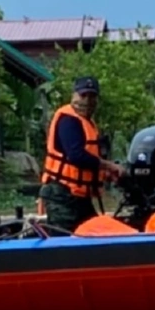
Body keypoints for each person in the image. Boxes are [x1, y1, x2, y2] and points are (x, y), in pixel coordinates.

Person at [39, 76, 125, 232]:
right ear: (74, 95)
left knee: (95, 231)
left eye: (92, 96)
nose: (87, 101)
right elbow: (76, 156)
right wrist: (109, 165)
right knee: (64, 239)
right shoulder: (68, 120)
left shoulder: (87, 123)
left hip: (80, 197)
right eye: (83, 95)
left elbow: (85, 162)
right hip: (62, 195)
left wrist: (104, 173)